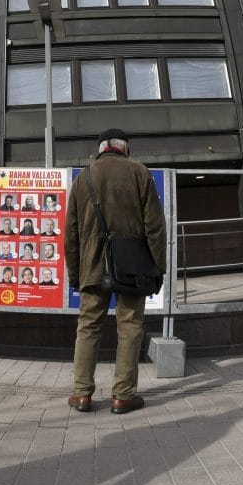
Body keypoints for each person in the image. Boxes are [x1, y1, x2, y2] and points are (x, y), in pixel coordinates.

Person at [66, 128, 165, 415]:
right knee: (130, 326)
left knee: (88, 327)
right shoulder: (139, 172)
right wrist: (158, 267)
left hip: (91, 265)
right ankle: (123, 395)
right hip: (133, 265)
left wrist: (75, 274)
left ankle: (81, 393)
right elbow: (155, 226)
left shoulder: (84, 177)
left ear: (100, 150)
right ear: (125, 149)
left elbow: (70, 233)